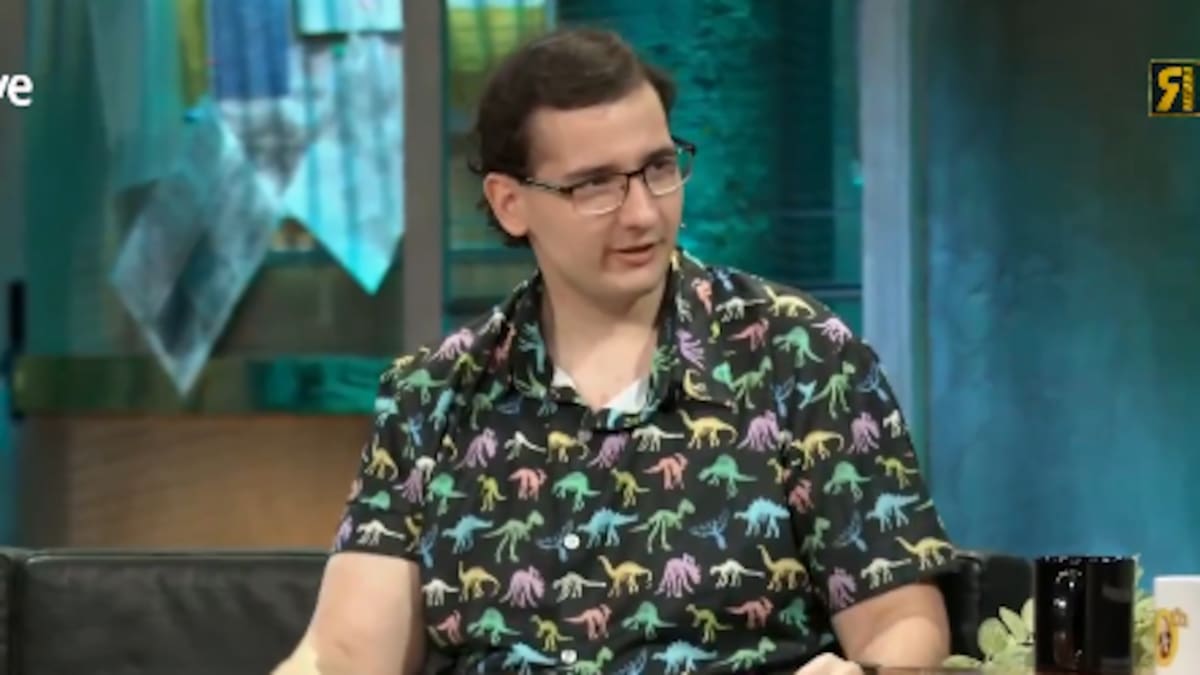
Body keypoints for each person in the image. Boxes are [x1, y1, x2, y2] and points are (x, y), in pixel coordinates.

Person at [274, 26, 955, 675]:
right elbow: (341, 656)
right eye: (595, 184)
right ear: (510, 203)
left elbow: (899, 623)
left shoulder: (799, 357)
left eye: (658, 168)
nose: (643, 213)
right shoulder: (434, 396)